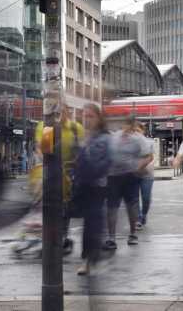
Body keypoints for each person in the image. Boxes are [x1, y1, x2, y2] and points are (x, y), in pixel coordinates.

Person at [34, 106, 85, 255]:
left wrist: (74, 166)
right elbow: (41, 150)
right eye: (54, 112)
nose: (58, 115)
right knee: (48, 210)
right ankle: (50, 242)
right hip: (49, 175)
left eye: (61, 112)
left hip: (70, 176)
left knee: (65, 211)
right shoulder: (45, 126)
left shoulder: (76, 128)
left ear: (67, 112)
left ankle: (61, 239)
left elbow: (81, 153)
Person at [72, 103, 111, 275]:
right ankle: (91, 255)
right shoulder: (83, 137)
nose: (86, 120)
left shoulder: (105, 139)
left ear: (98, 118)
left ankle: (89, 258)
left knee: (92, 221)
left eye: (90, 116)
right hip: (82, 185)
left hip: (97, 185)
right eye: (84, 116)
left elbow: (107, 162)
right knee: (89, 222)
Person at [103, 117, 152, 249]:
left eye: (128, 125)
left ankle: (133, 235)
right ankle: (111, 238)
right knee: (112, 207)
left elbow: (148, 156)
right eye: (124, 125)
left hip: (131, 176)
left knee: (131, 206)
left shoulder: (139, 139)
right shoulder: (115, 137)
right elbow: (107, 154)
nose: (126, 127)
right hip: (113, 177)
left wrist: (138, 167)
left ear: (132, 125)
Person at [135, 122, 155, 229]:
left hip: (147, 174)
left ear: (143, 131)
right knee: (134, 198)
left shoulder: (149, 142)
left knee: (146, 198)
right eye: (135, 131)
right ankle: (138, 218)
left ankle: (144, 214)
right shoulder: (131, 143)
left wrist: (140, 167)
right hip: (134, 175)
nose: (136, 133)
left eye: (138, 131)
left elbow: (151, 157)